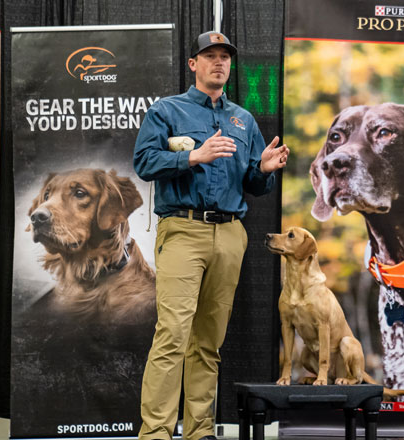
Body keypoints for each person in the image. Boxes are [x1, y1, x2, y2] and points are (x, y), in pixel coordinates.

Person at [133, 31, 289, 440]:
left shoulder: (244, 120)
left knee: (207, 343)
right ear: (193, 64)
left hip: (230, 234)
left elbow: (253, 183)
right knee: (172, 336)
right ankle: (156, 434)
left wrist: (265, 170)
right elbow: (145, 162)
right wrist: (192, 156)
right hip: (182, 229)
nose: (219, 63)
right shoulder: (167, 110)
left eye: (224, 57)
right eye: (210, 56)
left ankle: (199, 432)